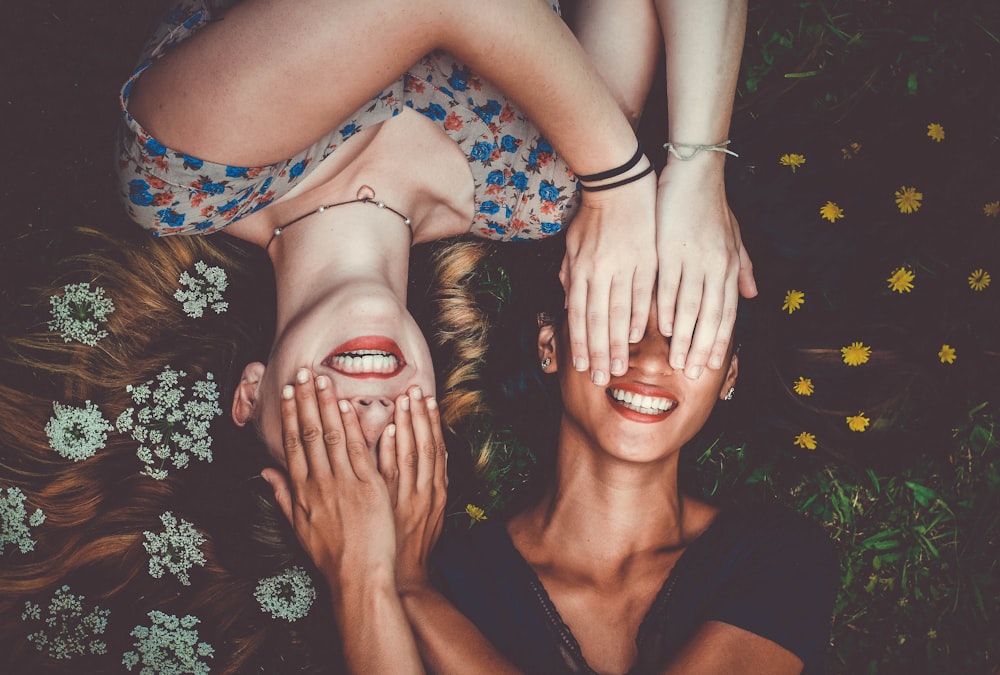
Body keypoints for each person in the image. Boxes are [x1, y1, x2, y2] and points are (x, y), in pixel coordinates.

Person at [116, 0, 756, 465]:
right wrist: (700, 170)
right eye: (397, 450)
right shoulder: (532, 194)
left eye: (325, 441)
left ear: (251, 395)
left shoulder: (184, 178)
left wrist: (619, 180)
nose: (370, 413)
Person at [268, 285, 839, 673]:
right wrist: (369, 580)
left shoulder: (782, 557)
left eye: (692, 330)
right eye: (619, 314)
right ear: (551, 344)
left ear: (729, 372)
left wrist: (403, 590)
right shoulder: (459, 580)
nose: (652, 357)